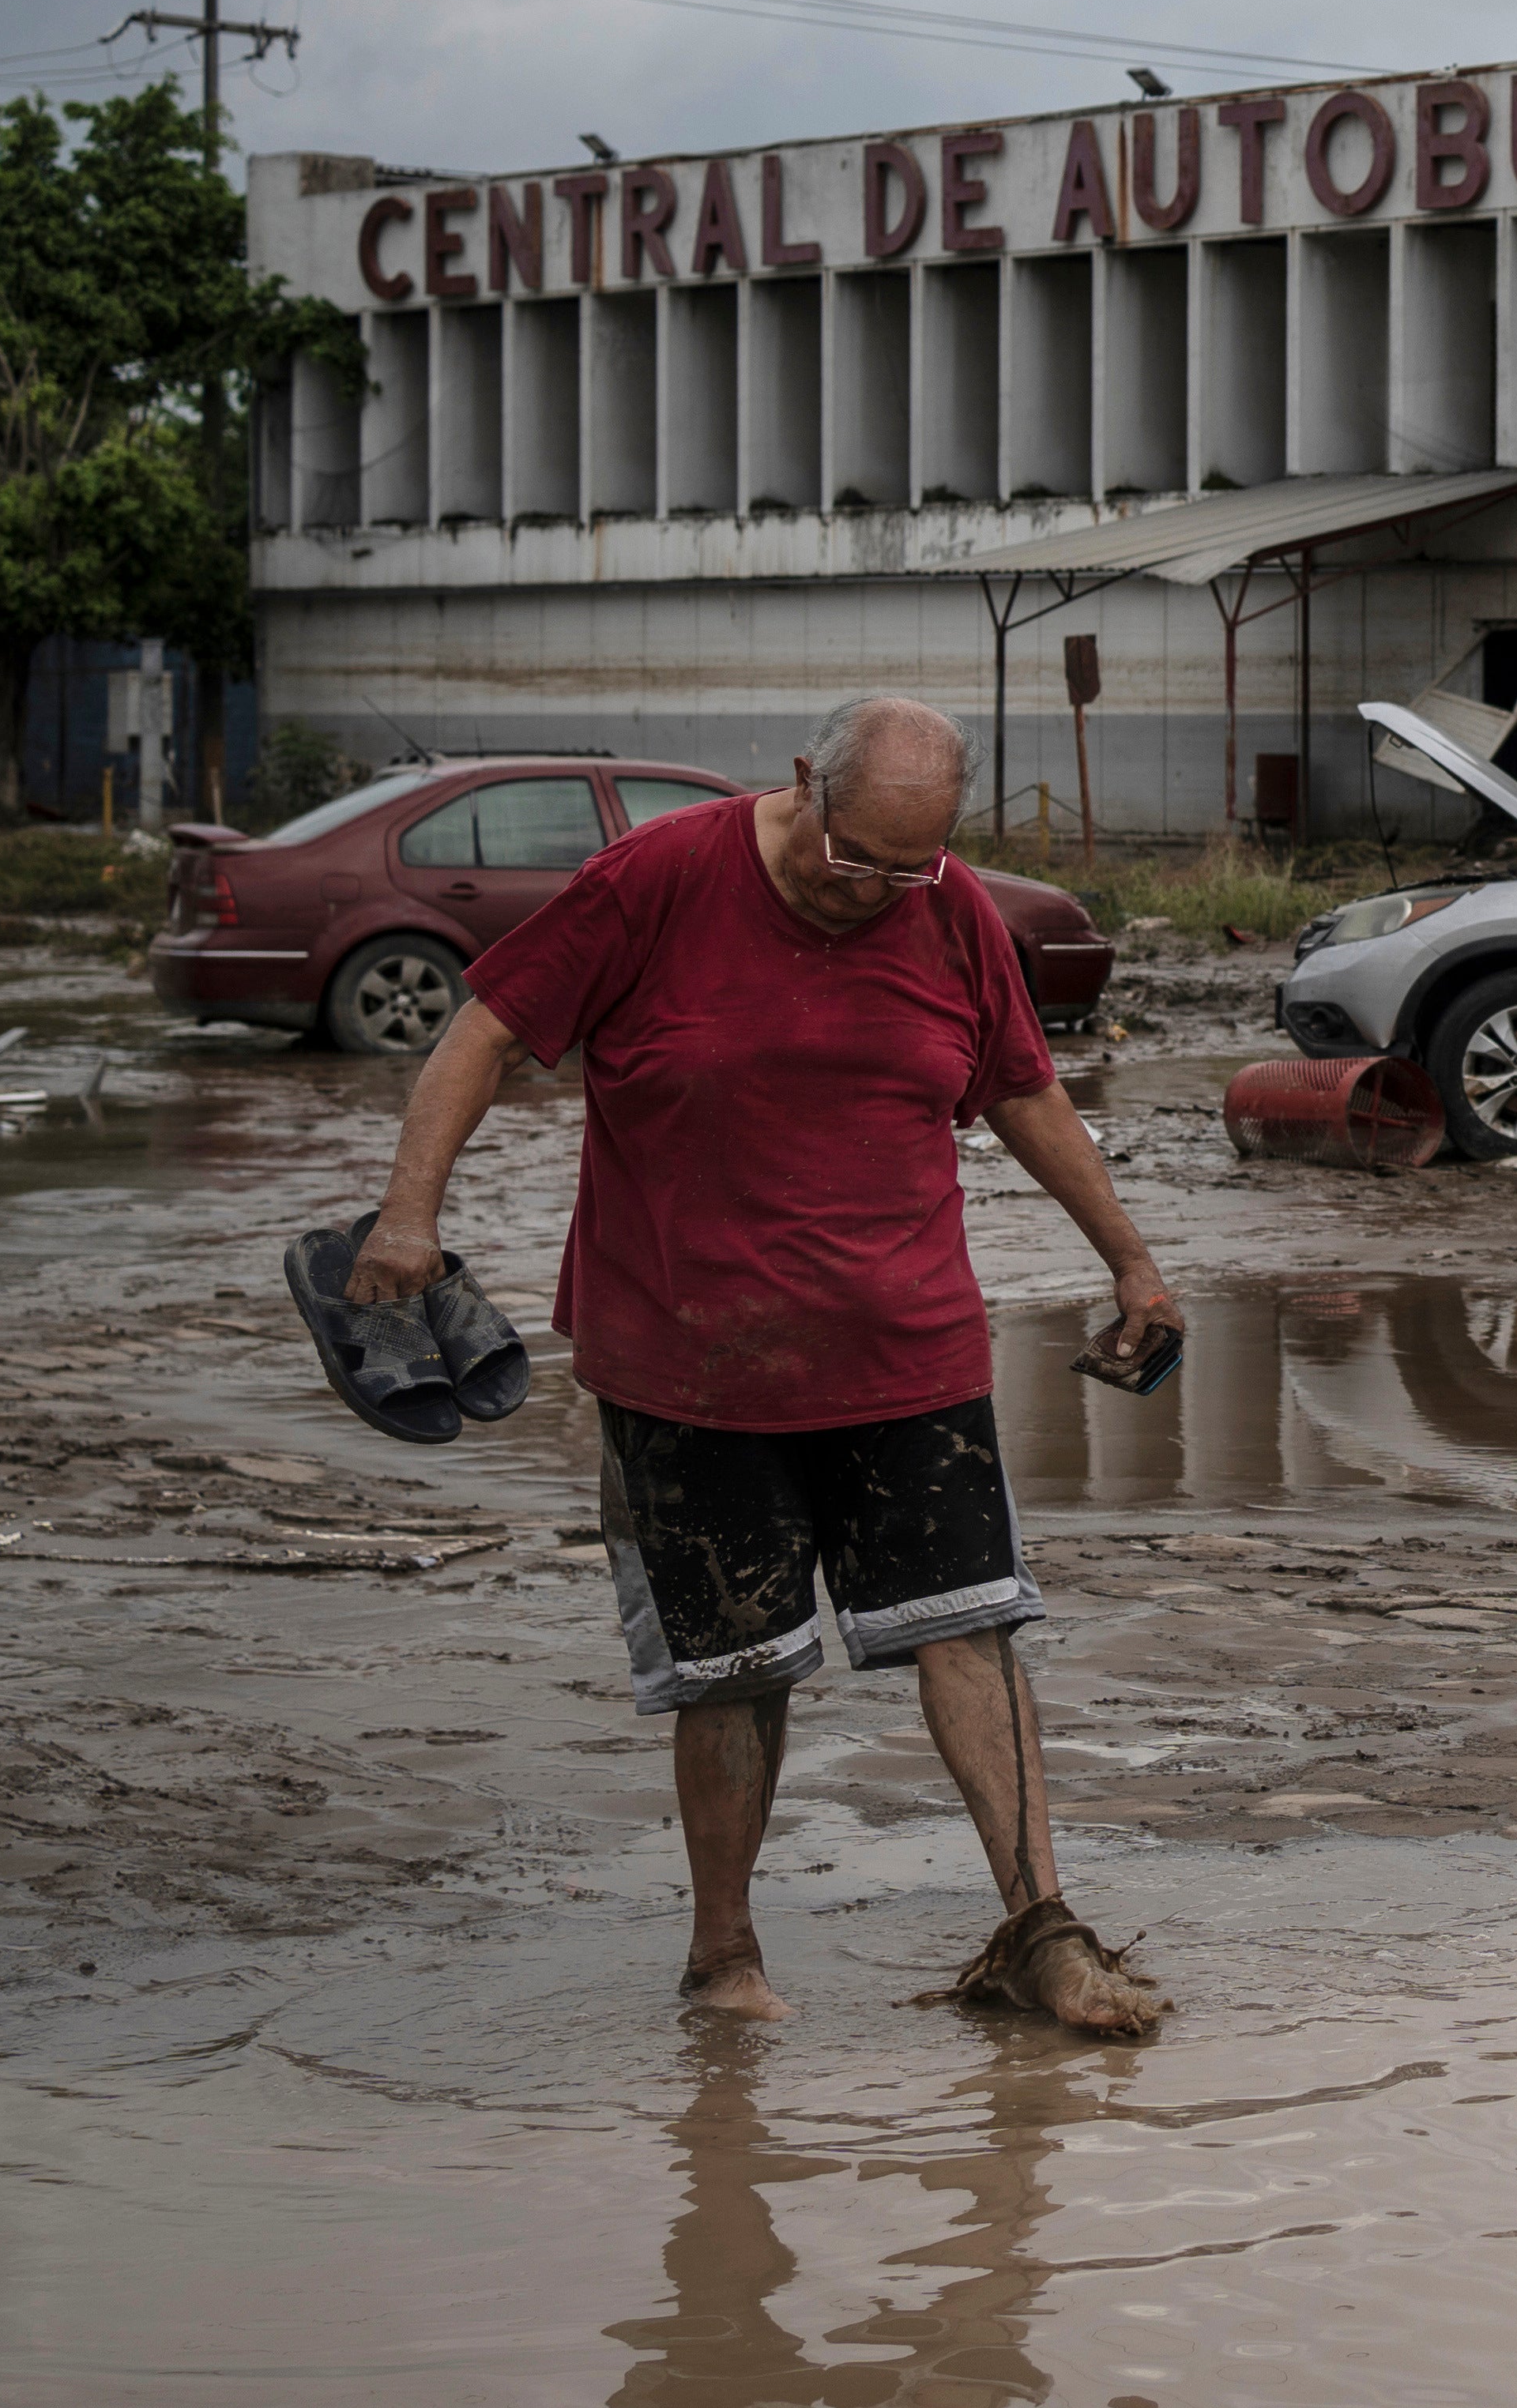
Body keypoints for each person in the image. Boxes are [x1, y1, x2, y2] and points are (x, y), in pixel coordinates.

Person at [344, 694, 1184, 2030]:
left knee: (973, 1626)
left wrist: (1130, 1259)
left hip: (907, 1345)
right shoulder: (655, 880)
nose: (878, 895)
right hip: (691, 1362)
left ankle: (1041, 1929)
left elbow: (1023, 1089)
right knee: (738, 1667)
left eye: (912, 869)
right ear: (806, 785)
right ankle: (722, 1958)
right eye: (857, 862)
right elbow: (486, 1028)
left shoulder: (946, 908)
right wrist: (408, 1216)